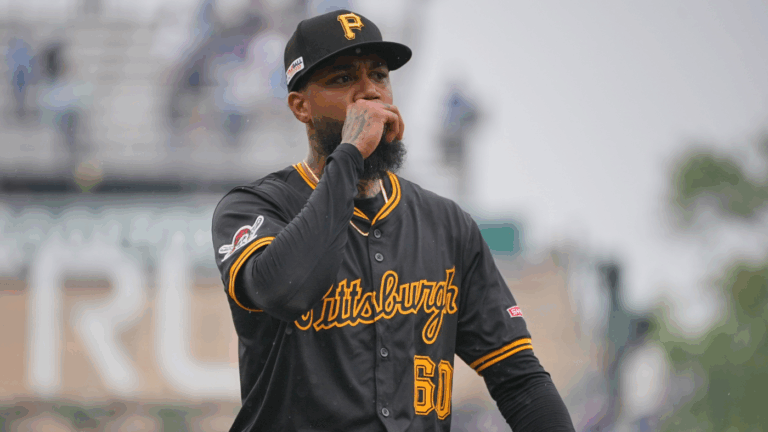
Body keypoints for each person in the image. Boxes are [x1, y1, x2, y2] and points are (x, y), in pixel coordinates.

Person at [211, 9, 575, 432]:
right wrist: (348, 154)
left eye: (379, 76)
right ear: (301, 106)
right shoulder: (253, 207)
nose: (370, 93)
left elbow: (518, 378)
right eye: (343, 78)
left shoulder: (447, 224)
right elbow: (286, 290)